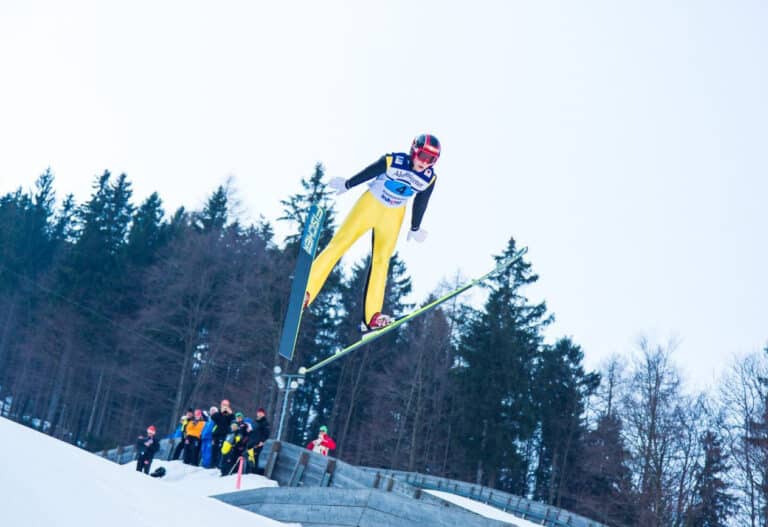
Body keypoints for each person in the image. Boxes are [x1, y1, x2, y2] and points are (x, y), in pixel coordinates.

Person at [304, 133, 441, 331]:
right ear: (414, 150)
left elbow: (421, 202)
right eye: (423, 156)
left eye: (431, 160)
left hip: (393, 216)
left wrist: (415, 227)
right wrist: (348, 184)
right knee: (339, 245)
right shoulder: (394, 160)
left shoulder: (429, 178)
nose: (424, 163)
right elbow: (369, 172)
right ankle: (307, 291)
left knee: (382, 260)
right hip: (371, 205)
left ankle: (372, 317)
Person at [246, 408, 270, 474]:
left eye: (261, 413)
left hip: (258, 443)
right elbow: (251, 430)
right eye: (258, 412)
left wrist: (262, 441)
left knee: (255, 457)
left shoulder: (265, 423)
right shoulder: (254, 422)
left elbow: (266, 433)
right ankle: (248, 472)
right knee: (249, 457)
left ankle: (253, 473)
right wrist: (249, 431)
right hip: (251, 442)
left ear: (263, 414)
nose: (259, 414)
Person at [210, 399, 234, 468]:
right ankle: (212, 464)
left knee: (222, 450)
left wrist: (230, 413)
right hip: (216, 434)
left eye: (226, 405)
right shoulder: (218, 413)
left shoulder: (229, 414)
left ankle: (219, 465)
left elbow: (233, 420)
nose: (225, 406)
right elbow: (213, 417)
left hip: (225, 434)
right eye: (223, 405)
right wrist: (221, 412)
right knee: (214, 449)